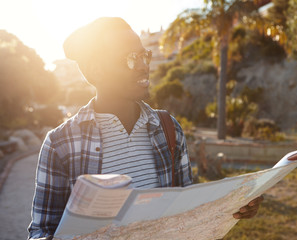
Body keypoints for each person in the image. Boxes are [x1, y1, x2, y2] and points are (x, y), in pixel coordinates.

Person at [28, 17, 263, 239]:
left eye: (144, 56)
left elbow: (186, 212)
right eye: (130, 58)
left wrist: (234, 205)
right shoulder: (61, 143)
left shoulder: (168, 128)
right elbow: (41, 231)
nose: (143, 66)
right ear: (97, 71)